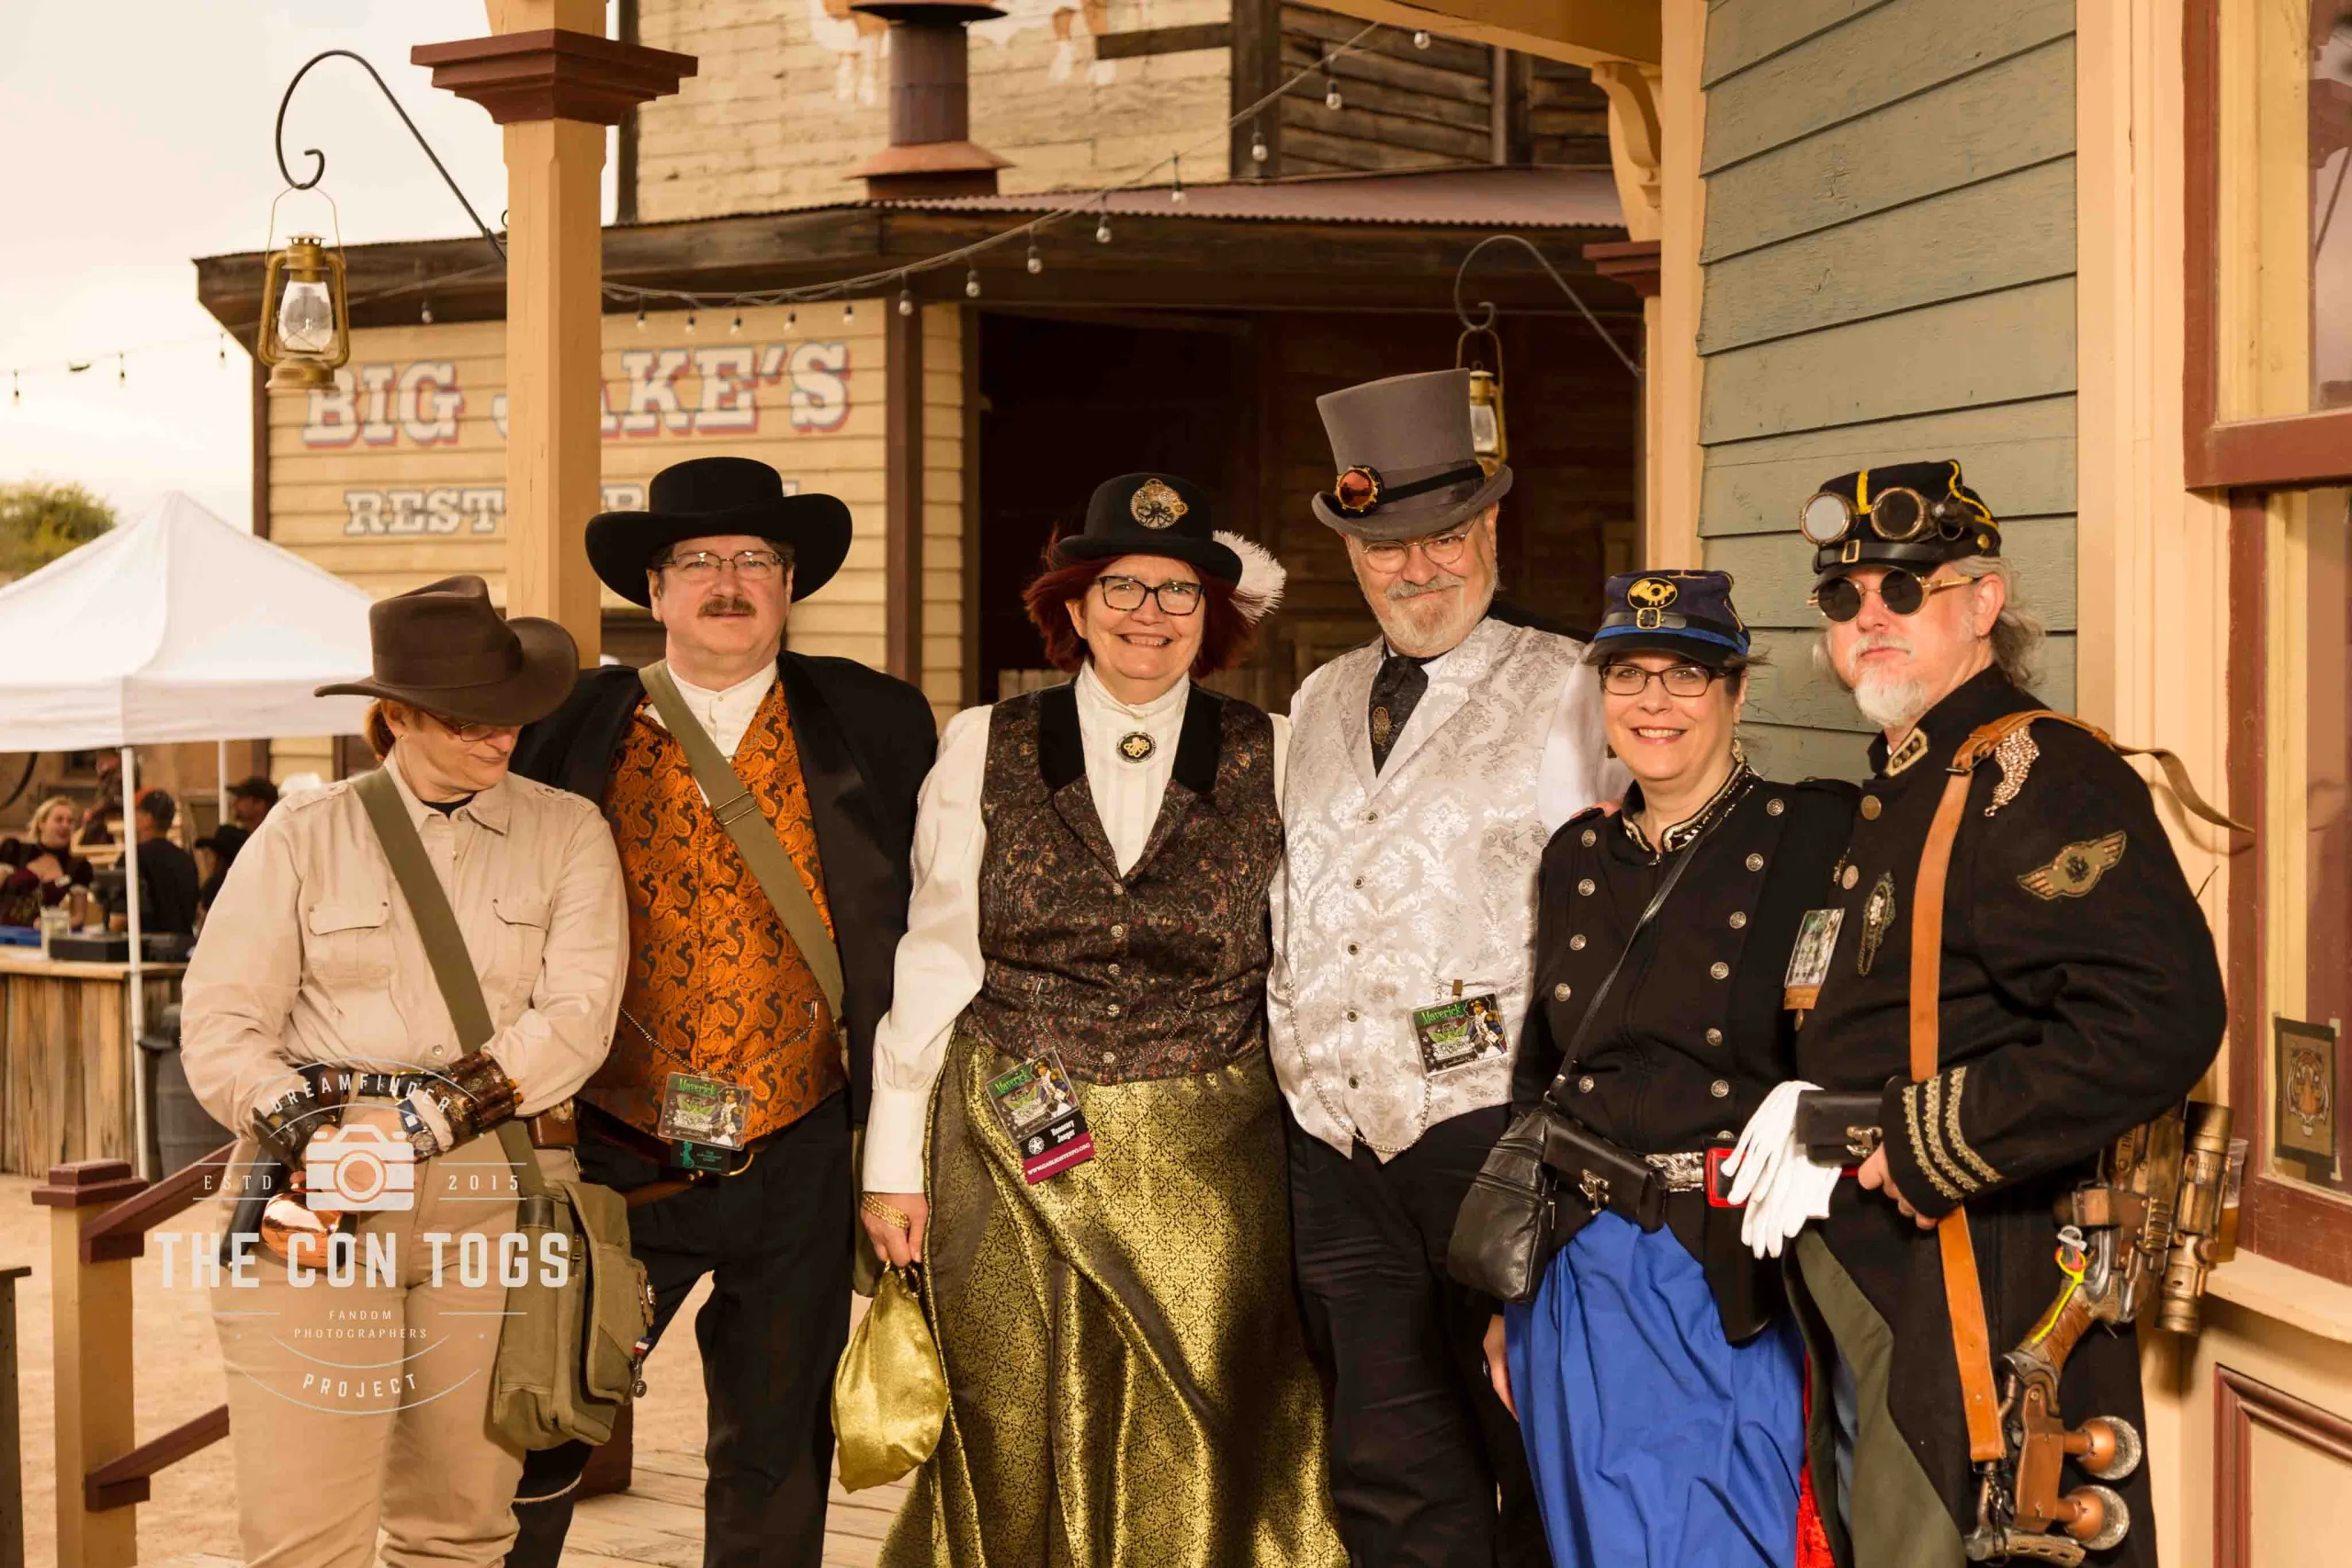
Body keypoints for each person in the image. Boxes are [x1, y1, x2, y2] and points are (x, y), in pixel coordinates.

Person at [1747, 461, 2224, 1568]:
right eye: (1843, 597)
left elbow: (2157, 1013)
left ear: (1983, 603)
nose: (1869, 617)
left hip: (1977, 1269)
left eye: (1905, 589)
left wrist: (1925, 1137)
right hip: (1880, 1276)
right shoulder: (1911, 776)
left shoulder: (2035, 773)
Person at [865, 472, 1346, 1568]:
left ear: (1211, 618)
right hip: (1008, 1135)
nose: (1149, 614)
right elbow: (934, 954)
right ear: (1074, 608)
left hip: (1214, 1150)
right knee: (1008, 1414)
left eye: (1178, 593)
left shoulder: (1275, 749)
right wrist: (892, 1166)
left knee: (1209, 1420)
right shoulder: (984, 741)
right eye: (1121, 587)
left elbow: (1307, 953)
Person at [504, 456, 938, 1568]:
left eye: (755, 559)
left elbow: (936, 918)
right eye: (698, 560)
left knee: (774, 1455)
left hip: (802, 1147)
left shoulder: (875, 717)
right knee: (539, 1423)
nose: (729, 582)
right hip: (613, 1148)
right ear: (653, 592)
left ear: (789, 585)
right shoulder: (573, 719)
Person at [180, 574, 628, 1568]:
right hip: (312, 1196)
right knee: (301, 1536)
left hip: (496, 1194)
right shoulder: (301, 835)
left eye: (510, 711)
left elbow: (577, 1020)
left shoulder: (568, 833)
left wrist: (415, 1124)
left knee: (461, 1530)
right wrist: (317, 1132)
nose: (499, 735)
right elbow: (219, 1027)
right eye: (467, 717)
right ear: (398, 715)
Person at [1271, 367, 1621, 1567]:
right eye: (1386, 547)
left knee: (1537, 1443)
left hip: (1499, 1134)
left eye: (1445, 537)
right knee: (1385, 1463)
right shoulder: (1318, 696)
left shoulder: (1578, 684)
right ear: (1351, 554)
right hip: (1335, 1150)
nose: (1417, 569)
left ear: (1491, 529)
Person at [1482, 570, 1855, 1568]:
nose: (1654, 702)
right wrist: (1507, 1297)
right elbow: (1539, 1073)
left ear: (1736, 692)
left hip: (1725, 1271)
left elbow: (1867, 1030)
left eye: (1686, 674)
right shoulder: (1575, 854)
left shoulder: (1814, 834)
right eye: (1629, 674)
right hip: (1573, 1273)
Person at [0, 794, 93, 927]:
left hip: (39, 934)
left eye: (70, 821)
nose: (65, 825)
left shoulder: (78, 866)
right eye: (59, 820)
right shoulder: (15, 850)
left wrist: (54, 924)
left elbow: (78, 917)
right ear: (41, 824)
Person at [198, 775, 280, 909]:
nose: (234, 803)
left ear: (259, 804)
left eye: (241, 798)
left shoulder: (274, 843)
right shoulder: (244, 840)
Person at [132, 788, 202, 937]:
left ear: (148, 819)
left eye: (138, 812)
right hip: (184, 943)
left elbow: (120, 918)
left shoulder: (134, 857)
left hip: (147, 945)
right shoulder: (185, 859)